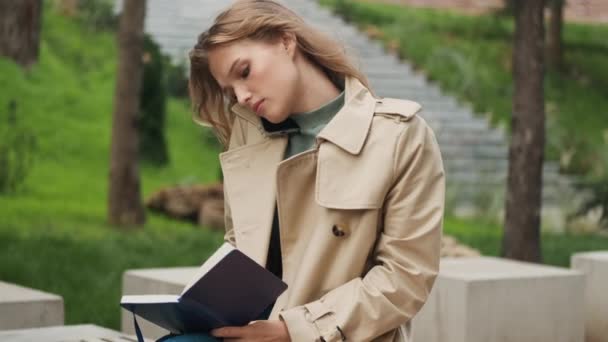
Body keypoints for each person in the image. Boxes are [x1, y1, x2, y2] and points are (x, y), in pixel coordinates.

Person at [160, 0, 445, 341]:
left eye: (245, 72)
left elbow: (404, 280)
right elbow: (242, 247)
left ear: (285, 41)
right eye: (230, 90)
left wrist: (292, 331)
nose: (242, 95)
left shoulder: (398, 137)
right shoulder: (249, 136)